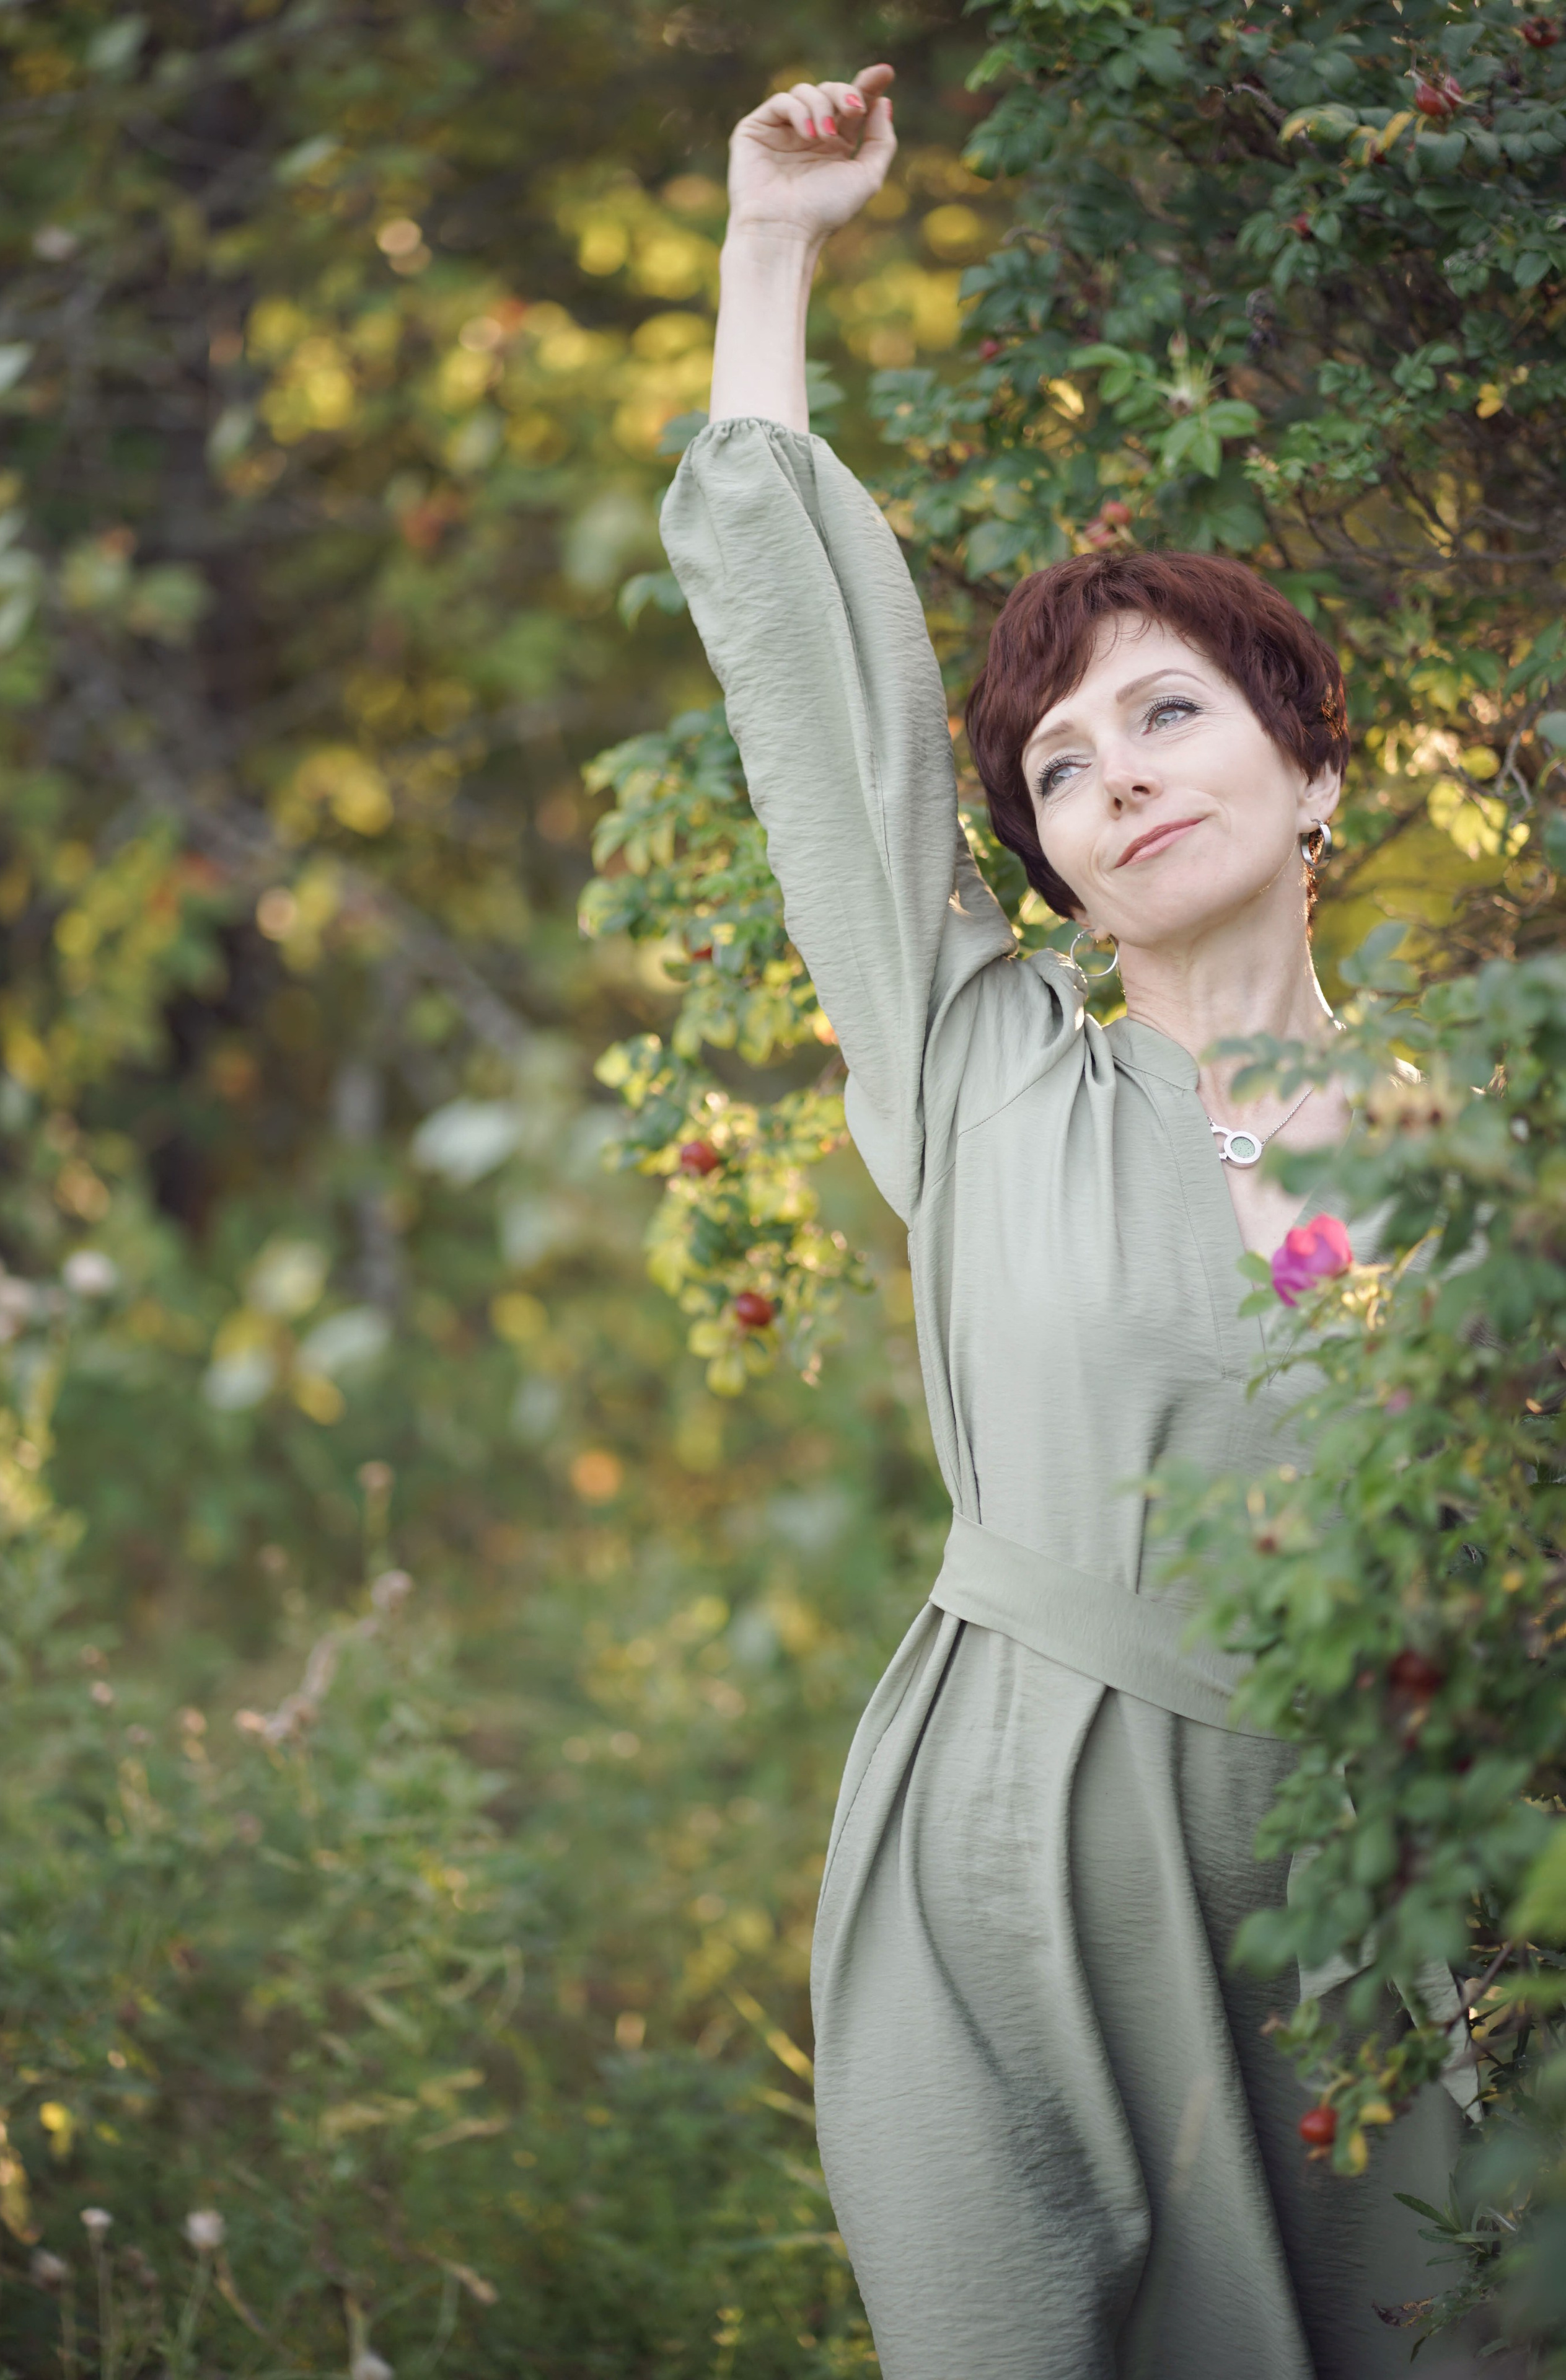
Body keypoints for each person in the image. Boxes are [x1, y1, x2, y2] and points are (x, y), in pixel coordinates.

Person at [659, 61, 1474, 2380]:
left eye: (1172, 715)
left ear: (1314, 765)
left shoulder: (1471, 1142)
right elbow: (822, 719)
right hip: (997, 1890)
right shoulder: (985, 1068)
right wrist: (770, 256)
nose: (1118, 778)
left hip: (1368, 1935)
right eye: (1061, 769)